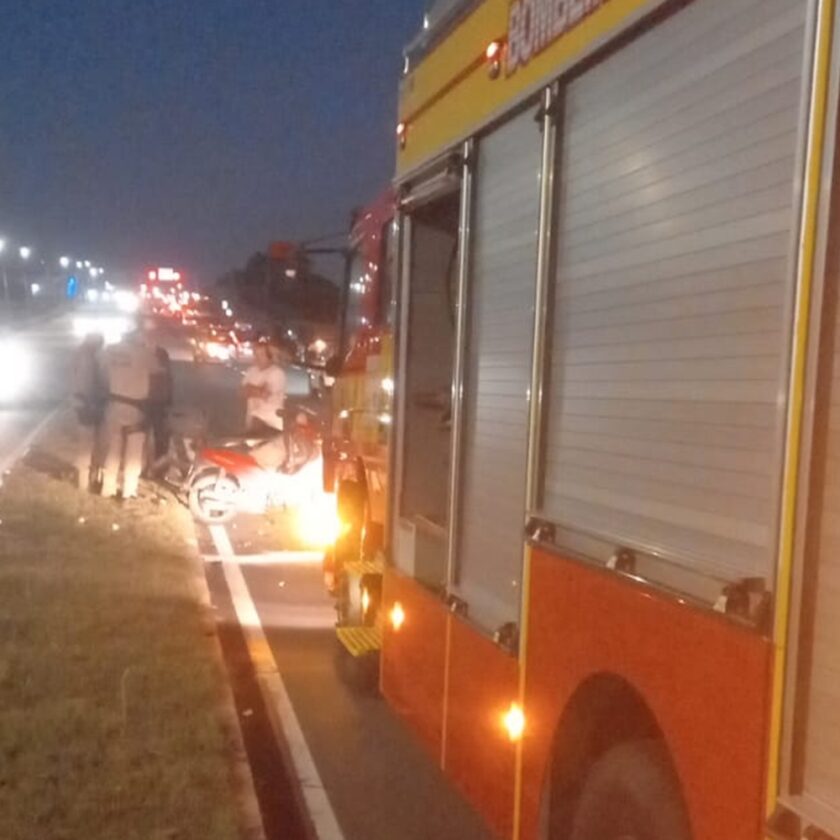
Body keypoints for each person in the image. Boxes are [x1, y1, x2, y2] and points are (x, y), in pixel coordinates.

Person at [100, 320, 160, 499]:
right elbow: (158, 371)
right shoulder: (144, 353)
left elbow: (102, 371)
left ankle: (107, 488)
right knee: (134, 453)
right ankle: (128, 490)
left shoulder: (110, 350)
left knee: (113, 449)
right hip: (136, 409)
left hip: (114, 406)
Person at [71, 332, 106, 490]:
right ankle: (86, 480)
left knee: (86, 444)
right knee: (91, 445)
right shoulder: (88, 360)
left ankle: (85, 479)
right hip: (88, 405)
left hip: (83, 404)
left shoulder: (81, 356)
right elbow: (87, 384)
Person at [242, 342, 286, 433]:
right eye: (256, 354)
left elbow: (265, 394)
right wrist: (258, 390)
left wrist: (250, 388)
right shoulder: (251, 371)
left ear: (269, 357)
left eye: (261, 355)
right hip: (252, 420)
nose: (258, 358)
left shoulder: (277, 373)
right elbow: (241, 392)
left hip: (270, 424)